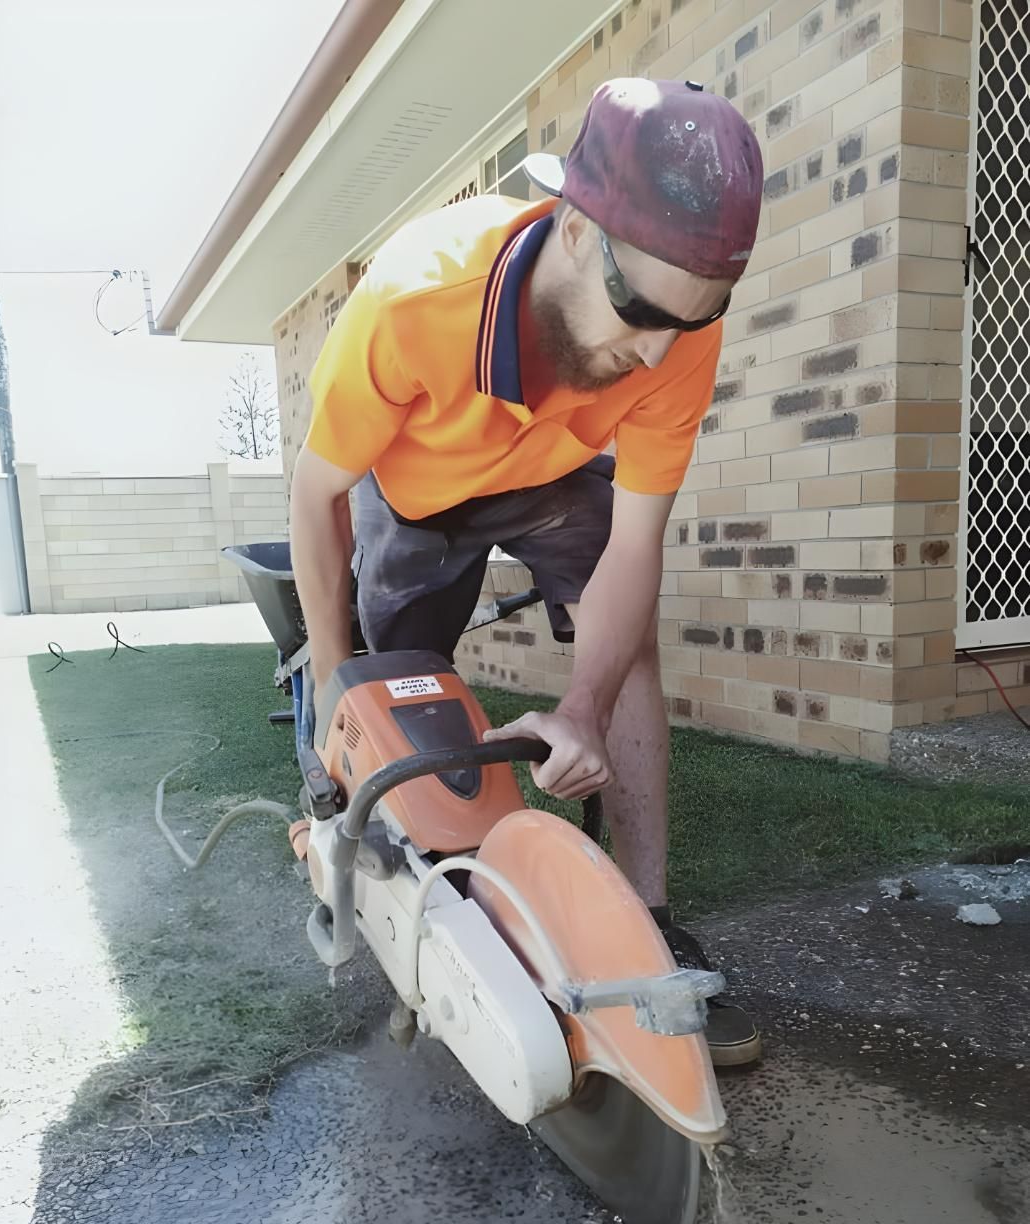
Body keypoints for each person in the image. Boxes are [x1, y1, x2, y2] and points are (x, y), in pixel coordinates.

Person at [290, 77, 765, 1066]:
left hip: (551, 479)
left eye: (692, 318)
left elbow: (635, 548)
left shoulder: (672, 334)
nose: (653, 352)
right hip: (414, 495)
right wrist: (340, 691)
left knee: (625, 646)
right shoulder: (412, 300)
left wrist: (582, 708)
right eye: (639, 308)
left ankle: (645, 919)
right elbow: (315, 496)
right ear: (579, 228)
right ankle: (432, 898)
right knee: (397, 690)